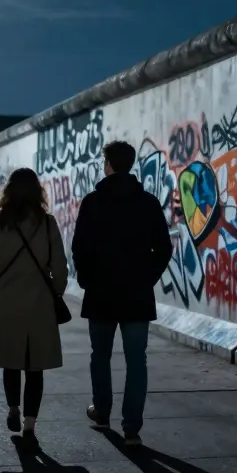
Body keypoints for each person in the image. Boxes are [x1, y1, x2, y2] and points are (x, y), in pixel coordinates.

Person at [70, 140, 171, 446]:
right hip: (136, 295)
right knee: (136, 361)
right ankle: (132, 429)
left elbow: (79, 248)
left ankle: (102, 411)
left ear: (109, 164)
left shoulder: (92, 202)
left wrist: (87, 280)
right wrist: (146, 277)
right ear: (131, 164)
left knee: (99, 355)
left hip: (101, 293)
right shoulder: (149, 203)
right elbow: (164, 249)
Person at [0, 168, 69, 439]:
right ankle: (30, 422)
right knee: (35, 365)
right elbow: (60, 267)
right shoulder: (47, 223)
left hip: (6, 301)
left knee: (11, 360)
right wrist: (56, 291)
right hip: (39, 302)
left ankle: (13, 407)